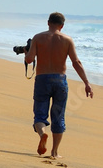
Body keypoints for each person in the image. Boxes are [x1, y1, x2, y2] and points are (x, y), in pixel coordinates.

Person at [24, 12, 93, 158]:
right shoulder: (67, 40)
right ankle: (54, 152)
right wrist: (86, 83)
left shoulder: (38, 37)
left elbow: (29, 60)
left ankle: (43, 134)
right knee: (58, 117)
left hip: (42, 79)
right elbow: (76, 63)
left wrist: (26, 52)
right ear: (62, 26)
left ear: (48, 22)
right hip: (60, 80)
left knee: (40, 114)